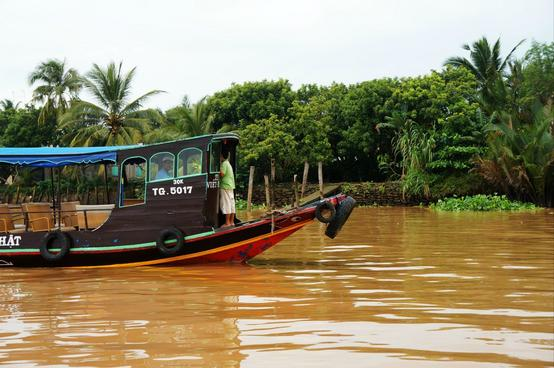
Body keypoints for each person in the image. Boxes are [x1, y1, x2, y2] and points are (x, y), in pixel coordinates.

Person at [219, 150, 235, 227]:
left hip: (225, 185)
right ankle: (232, 222)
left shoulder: (224, 164)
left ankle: (227, 223)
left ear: (222, 156)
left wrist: (217, 170)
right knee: (231, 204)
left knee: (226, 204)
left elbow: (222, 174)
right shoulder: (228, 163)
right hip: (230, 185)